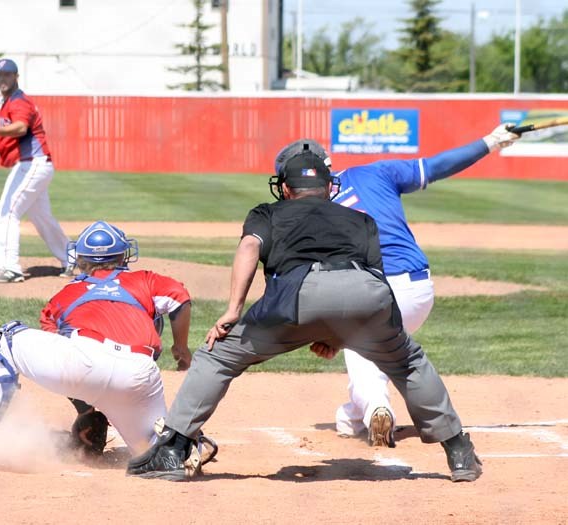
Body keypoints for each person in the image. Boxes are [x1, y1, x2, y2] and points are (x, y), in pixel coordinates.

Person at [126, 147, 482, 483]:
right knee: (407, 362)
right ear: (329, 187)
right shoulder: (361, 219)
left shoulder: (268, 212)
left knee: (217, 357)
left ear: (285, 188)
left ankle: (172, 450)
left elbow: (250, 247)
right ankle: (459, 451)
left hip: (297, 296)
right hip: (366, 293)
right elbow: (371, 280)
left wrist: (234, 309)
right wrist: (338, 336)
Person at [272, 125, 520, 449]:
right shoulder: (376, 172)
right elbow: (436, 166)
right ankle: (352, 417)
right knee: (372, 350)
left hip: (373, 292)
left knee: (361, 349)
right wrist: (491, 141)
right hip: (419, 289)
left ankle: (378, 409)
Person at [0, 221, 194, 461]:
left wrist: (85, 411)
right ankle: (185, 449)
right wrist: (181, 348)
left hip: (83, 362)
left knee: (7, 337)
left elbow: (63, 352)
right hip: (140, 374)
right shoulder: (145, 280)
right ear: (123, 256)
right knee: (159, 452)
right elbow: (180, 298)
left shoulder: (66, 295)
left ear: (81, 260)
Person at [0, 58, 71, 283]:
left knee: (8, 212)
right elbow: (16, 141)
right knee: (42, 218)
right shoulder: (7, 102)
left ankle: (10, 267)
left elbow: (21, 128)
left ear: (16, 77)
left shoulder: (19, 101)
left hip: (34, 164)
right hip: (35, 164)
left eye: (7, 75)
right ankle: (72, 259)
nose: (3, 79)